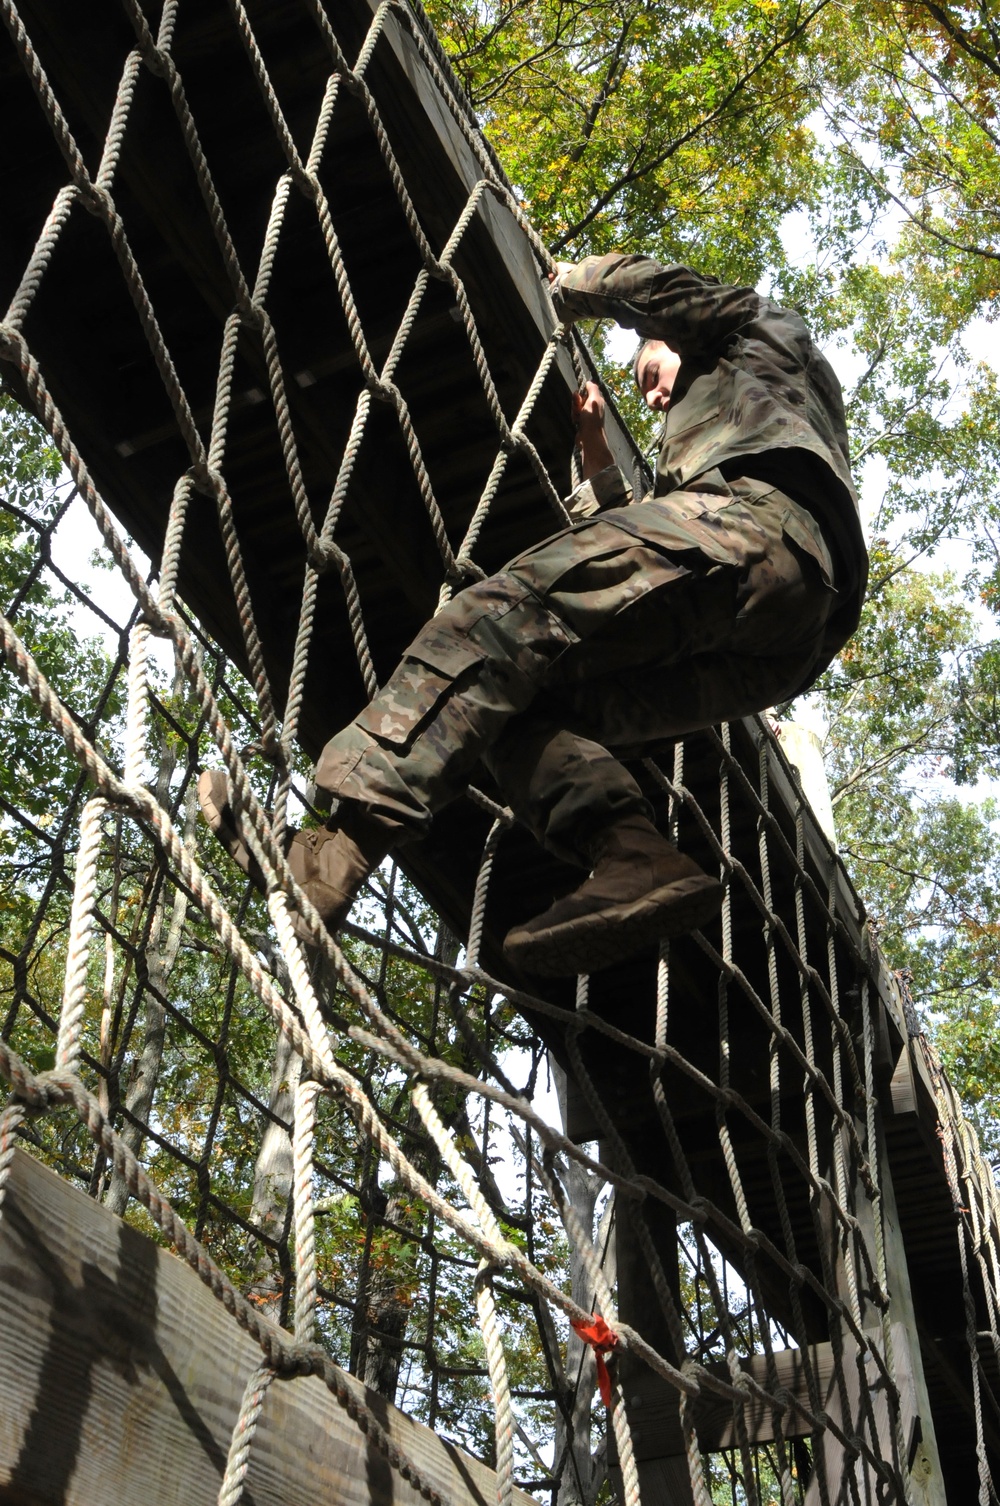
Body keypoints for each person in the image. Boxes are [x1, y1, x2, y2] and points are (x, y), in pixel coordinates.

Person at [200, 254, 867, 977]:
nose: (650, 398)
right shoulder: (734, 421)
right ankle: (635, 856)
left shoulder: (756, 331)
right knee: (526, 707)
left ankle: (334, 855)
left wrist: (571, 281)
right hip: (781, 641)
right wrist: (594, 455)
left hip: (757, 532)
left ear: (679, 343)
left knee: (494, 621)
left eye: (651, 375)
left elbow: (663, 291)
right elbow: (641, 557)